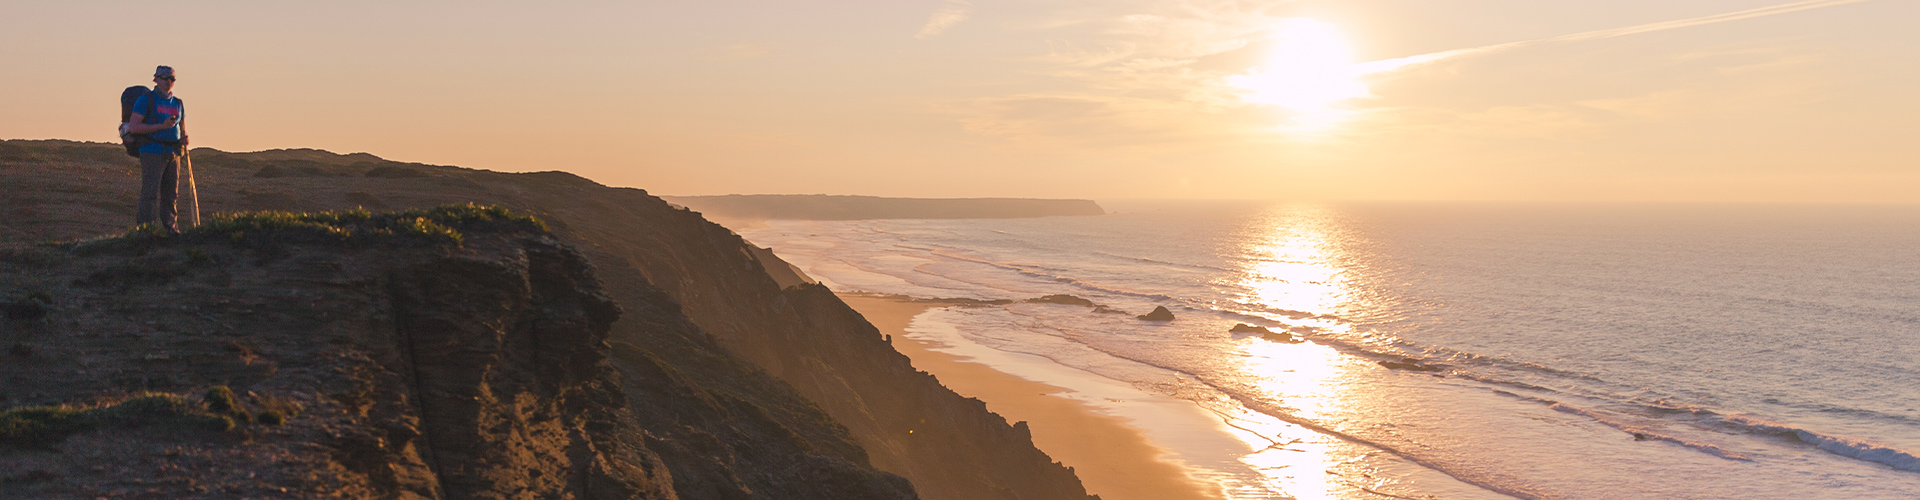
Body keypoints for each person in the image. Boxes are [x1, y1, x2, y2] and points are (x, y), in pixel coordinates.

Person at [125, 65, 189, 234]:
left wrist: (183, 139)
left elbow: (181, 128)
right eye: (164, 78)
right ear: (156, 79)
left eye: (172, 79)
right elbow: (134, 127)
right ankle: (147, 230)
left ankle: (171, 229)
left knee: (171, 195)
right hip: (152, 150)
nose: (168, 82)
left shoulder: (178, 103)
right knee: (150, 192)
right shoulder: (146, 100)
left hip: (173, 153)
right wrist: (161, 126)